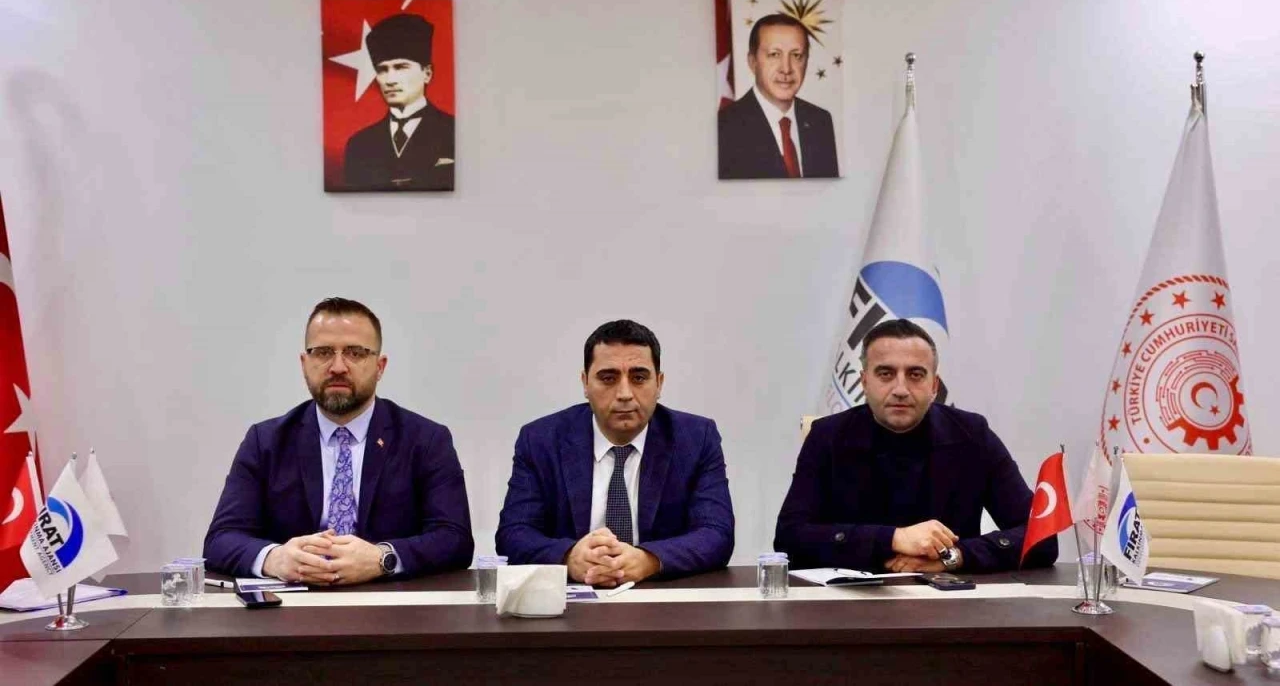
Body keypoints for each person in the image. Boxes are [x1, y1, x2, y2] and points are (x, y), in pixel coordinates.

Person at [203, 298, 473, 584]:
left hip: (390, 602)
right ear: (304, 364)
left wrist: (383, 558)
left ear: (380, 366)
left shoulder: (426, 440)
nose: (338, 367)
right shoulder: (266, 441)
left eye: (355, 353)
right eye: (323, 352)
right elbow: (221, 539)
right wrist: (275, 558)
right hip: (292, 602)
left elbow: (455, 539)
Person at [774, 319, 1057, 573]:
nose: (900, 389)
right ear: (864, 382)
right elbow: (788, 538)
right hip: (850, 603)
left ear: (934, 385)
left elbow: (1042, 537)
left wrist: (955, 556)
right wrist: (893, 539)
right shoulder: (827, 436)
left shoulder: (973, 435)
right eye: (886, 374)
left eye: (915, 374)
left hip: (950, 602)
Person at [496, 320, 734, 586]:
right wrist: (569, 557)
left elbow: (716, 534)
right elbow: (513, 535)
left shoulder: (696, 438)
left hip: (660, 598)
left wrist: (648, 560)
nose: (624, 394)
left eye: (639, 378)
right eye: (608, 378)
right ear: (585, 383)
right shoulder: (541, 440)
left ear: (659, 383)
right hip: (571, 600)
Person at [718, 13, 839, 180]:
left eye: (796, 55)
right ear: (753, 62)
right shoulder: (724, 127)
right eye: (774, 54)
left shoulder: (820, 121)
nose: (786, 69)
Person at [342, 13, 455, 191]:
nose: (390, 80)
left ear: (427, 73)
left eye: (401, 67)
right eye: (382, 70)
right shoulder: (359, 145)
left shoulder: (454, 131)